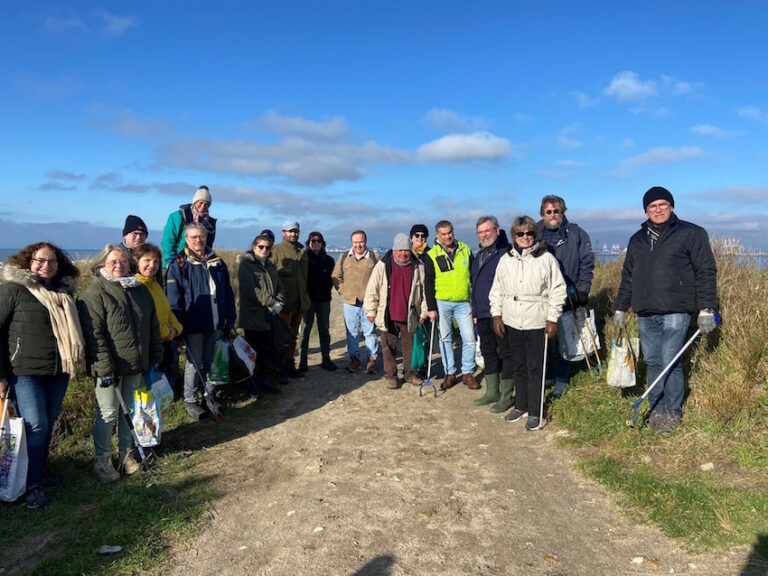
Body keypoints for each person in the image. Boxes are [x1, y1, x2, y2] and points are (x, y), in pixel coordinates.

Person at [614, 186, 718, 433]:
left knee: (670, 361)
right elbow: (628, 276)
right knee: (652, 361)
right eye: (652, 206)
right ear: (646, 210)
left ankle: (672, 414)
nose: (658, 209)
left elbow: (706, 271)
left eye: (662, 204)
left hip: (675, 309)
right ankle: (656, 410)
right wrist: (620, 307)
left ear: (671, 206)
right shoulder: (637, 239)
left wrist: (706, 308)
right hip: (645, 312)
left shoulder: (690, 233)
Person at [0, 243, 84, 508]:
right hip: (24, 372)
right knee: (35, 425)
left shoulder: (63, 293)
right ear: (28, 261)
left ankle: (38, 474)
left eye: (52, 262)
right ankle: (31, 485)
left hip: (58, 370)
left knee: (46, 424)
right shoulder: (13, 290)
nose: (45, 266)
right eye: (40, 260)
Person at [78, 245, 162, 481]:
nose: (119, 265)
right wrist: (105, 368)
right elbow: (94, 336)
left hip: (135, 363)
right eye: (113, 261)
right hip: (108, 367)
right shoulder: (94, 294)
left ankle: (127, 455)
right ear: (102, 263)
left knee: (131, 410)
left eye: (123, 261)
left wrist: (155, 356)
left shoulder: (139, 290)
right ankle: (102, 460)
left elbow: (152, 326)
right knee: (108, 413)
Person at [490, 216, 566, 431]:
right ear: (514, 236)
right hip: (512, 320)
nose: (525, 237)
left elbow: (557, 290)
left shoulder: (546, 259)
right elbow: (497, 290)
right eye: (520, 234)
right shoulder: (506, 260)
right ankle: (521, 404)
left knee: (535, 367)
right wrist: (497, 315)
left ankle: (535, 410)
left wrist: (552, 318)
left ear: (535, 235)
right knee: (518, 365)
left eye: (529, 233)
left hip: (536, 320)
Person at [166, 223, 236, 419]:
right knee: (194, 364)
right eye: (194, 237)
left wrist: (230, 318)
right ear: (186, 239)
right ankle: (190, 401)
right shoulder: (178, 263)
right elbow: (173, 299)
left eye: (202, 237)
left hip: (216, 323)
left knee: (211, 361)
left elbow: (227, 292)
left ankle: (209, 395)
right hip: (193, 325)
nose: (199, 240)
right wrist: (178, 328)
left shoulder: (217, 261)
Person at [536, 195, 595, 398]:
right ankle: (546, 378)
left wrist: (583, 290)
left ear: (563, 212)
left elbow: (587, 263)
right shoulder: (534, 232)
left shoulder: (577, 234)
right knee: (543, 340)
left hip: (568, 295)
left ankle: (561, 382)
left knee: (564, 340)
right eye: (548, 212)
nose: (552, 215)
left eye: (556, 211)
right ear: (542, 214)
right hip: (541, 296)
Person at [364, 233, 428, 389]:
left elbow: (425, 292)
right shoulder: (383, 265)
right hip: (388, 314)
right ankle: (391, 376)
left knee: (410, 348)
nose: (403, 253)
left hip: (410, 315)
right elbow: (372, 289)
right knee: (388, 348)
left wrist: (424, 312)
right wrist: (370, 311)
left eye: (406, 250)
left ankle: (410, 374)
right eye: (399, 250)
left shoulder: (418, 266)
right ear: (393, 250)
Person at [424, 220, 478, 390]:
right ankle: (450, 373)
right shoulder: (432, 254)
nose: (447, 236)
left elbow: (473, 277)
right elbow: (428, 283)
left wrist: (474, 302)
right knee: (445, 338)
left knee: (469, 338)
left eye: (450, 233)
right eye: (443, 234)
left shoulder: (465, 249)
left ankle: (468, 372)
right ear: (437, 235)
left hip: (463, 302)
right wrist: (431, 308)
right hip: (442, 302)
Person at [470, 216, 511, 411]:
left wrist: (502, 311)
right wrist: (475, 310)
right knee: (488, 352)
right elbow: (476, 285)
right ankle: (492, 391)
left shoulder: (506, 252)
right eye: (480, 232)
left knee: (505, 352)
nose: (484, 234)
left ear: (497, 230)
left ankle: (506, 394)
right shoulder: (479, 255)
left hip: (500, 313)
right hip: (482, 313)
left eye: (488, 230)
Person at [237, 233, 285, 397]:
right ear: (254, 247)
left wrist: (279, 302)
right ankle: (252, 385)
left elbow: (279, 286)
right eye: (261, 247)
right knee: (253, 353)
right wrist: (271, 303)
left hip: (268, 316)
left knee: (266, 351)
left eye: (268, 247)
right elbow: (250, 290)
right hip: (253, 316)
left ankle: (264, 381)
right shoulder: (246, 265)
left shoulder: (270, 265)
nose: (264, 250)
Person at [133, 243, 183, 387]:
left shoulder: (155, 284)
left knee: (167, 379)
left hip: (166, 341)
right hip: (151, 344)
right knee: (152, 383)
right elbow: (143, 319)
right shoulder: (136, 287)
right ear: (137, 261)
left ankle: (167, 406)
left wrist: (177, 327)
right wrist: (167, 332)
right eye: (147, 260)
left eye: (155, 261)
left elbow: (167, 311)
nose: (152, 265)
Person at [332, 230, 380, 374]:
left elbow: (381, 278)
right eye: (355, 242)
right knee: (351, 333)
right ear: (351, 243)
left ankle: (372, 360)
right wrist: (342, 290)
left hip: (369, 303)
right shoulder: (344, 257)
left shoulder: (374, 257)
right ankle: (354, 360)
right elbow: (335, 276)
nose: (358, 245)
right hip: (350, 303)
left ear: (365, 241)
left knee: (370, 333)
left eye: (361, 242)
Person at [271, 220, 310, 378]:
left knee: (293, 336)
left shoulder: (303, 250)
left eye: (296, 231)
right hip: (284, 303)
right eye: (290, 231)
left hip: (300, 301)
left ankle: (289, 365)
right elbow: (271, 276)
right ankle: (278, 368)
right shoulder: (276, 250)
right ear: (283, 233)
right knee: (282, 337)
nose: (293, 234)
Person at [300, 231, 337, 372]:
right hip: (308, 300)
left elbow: (334, 278)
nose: (315, 243)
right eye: (313, 240)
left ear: (322, 243)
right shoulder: (304, 259)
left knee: (324, 330)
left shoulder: (329, 260)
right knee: (305, 330)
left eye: (318, 241)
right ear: (309, 243)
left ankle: (326, 359)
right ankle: (303, 361)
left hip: (324, 300)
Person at [161, 186, 216, 271]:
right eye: (200, 202)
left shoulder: (210, 224)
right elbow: (168, 241)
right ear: (195, 202)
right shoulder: (179, 216)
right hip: (177, 262)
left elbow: (208, 246)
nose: (202, 206)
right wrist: (171, 263)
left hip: (198, 266)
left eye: (206, 204)